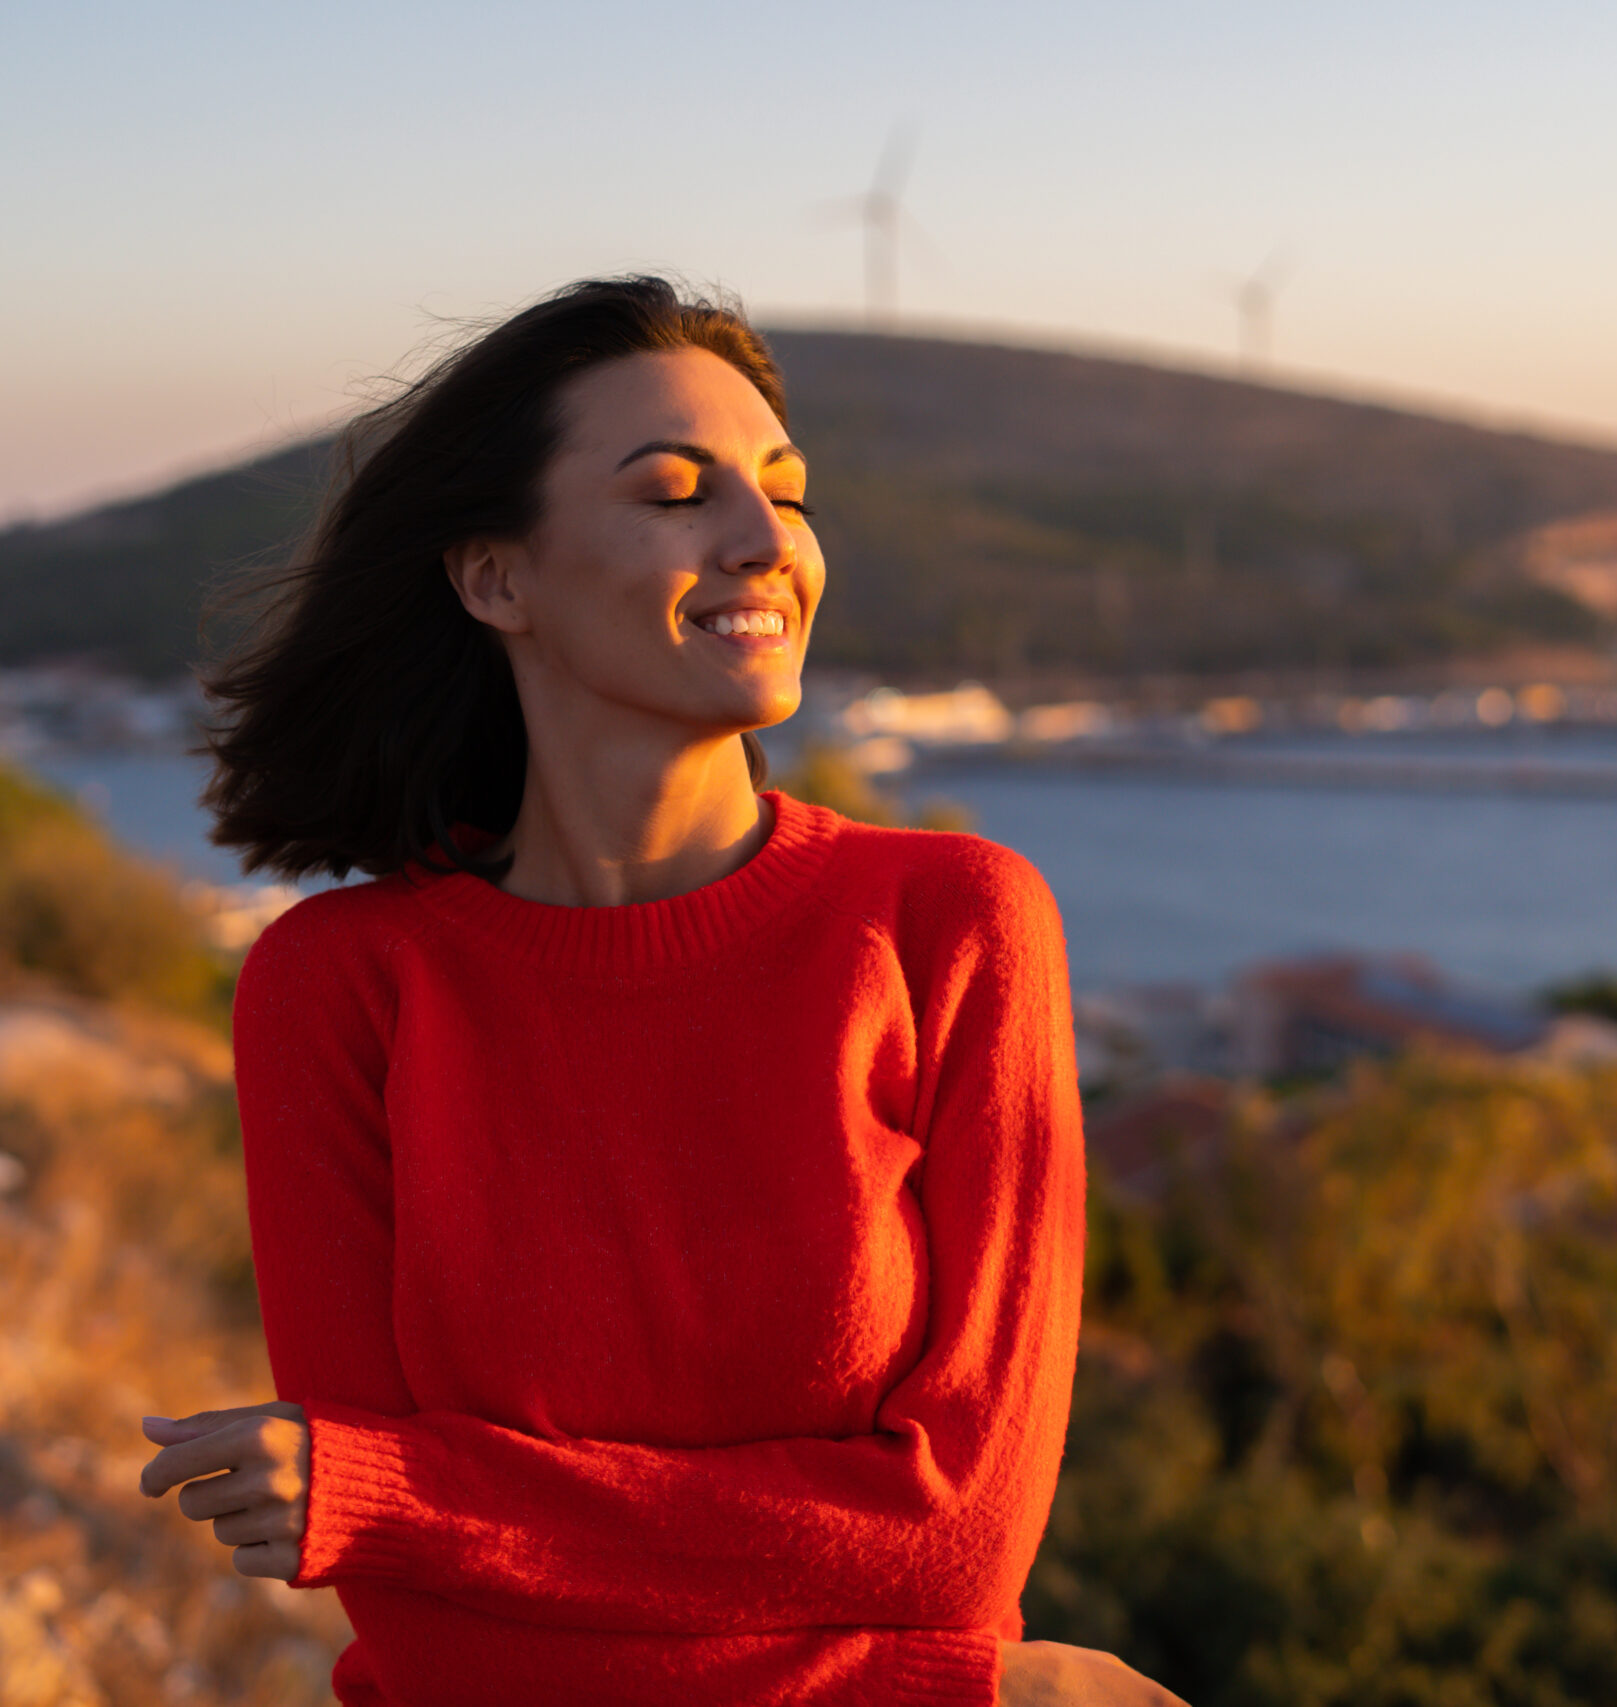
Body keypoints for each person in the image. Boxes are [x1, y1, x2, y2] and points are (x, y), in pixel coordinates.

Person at [134, 277, 1184, 1706]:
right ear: (497, 577)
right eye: (678, 495)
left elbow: (952, 1542)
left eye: (788, 495)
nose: (769, 544)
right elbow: (434, 1640)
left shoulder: (951, 924)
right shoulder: (338, 990)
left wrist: (406, 1491)